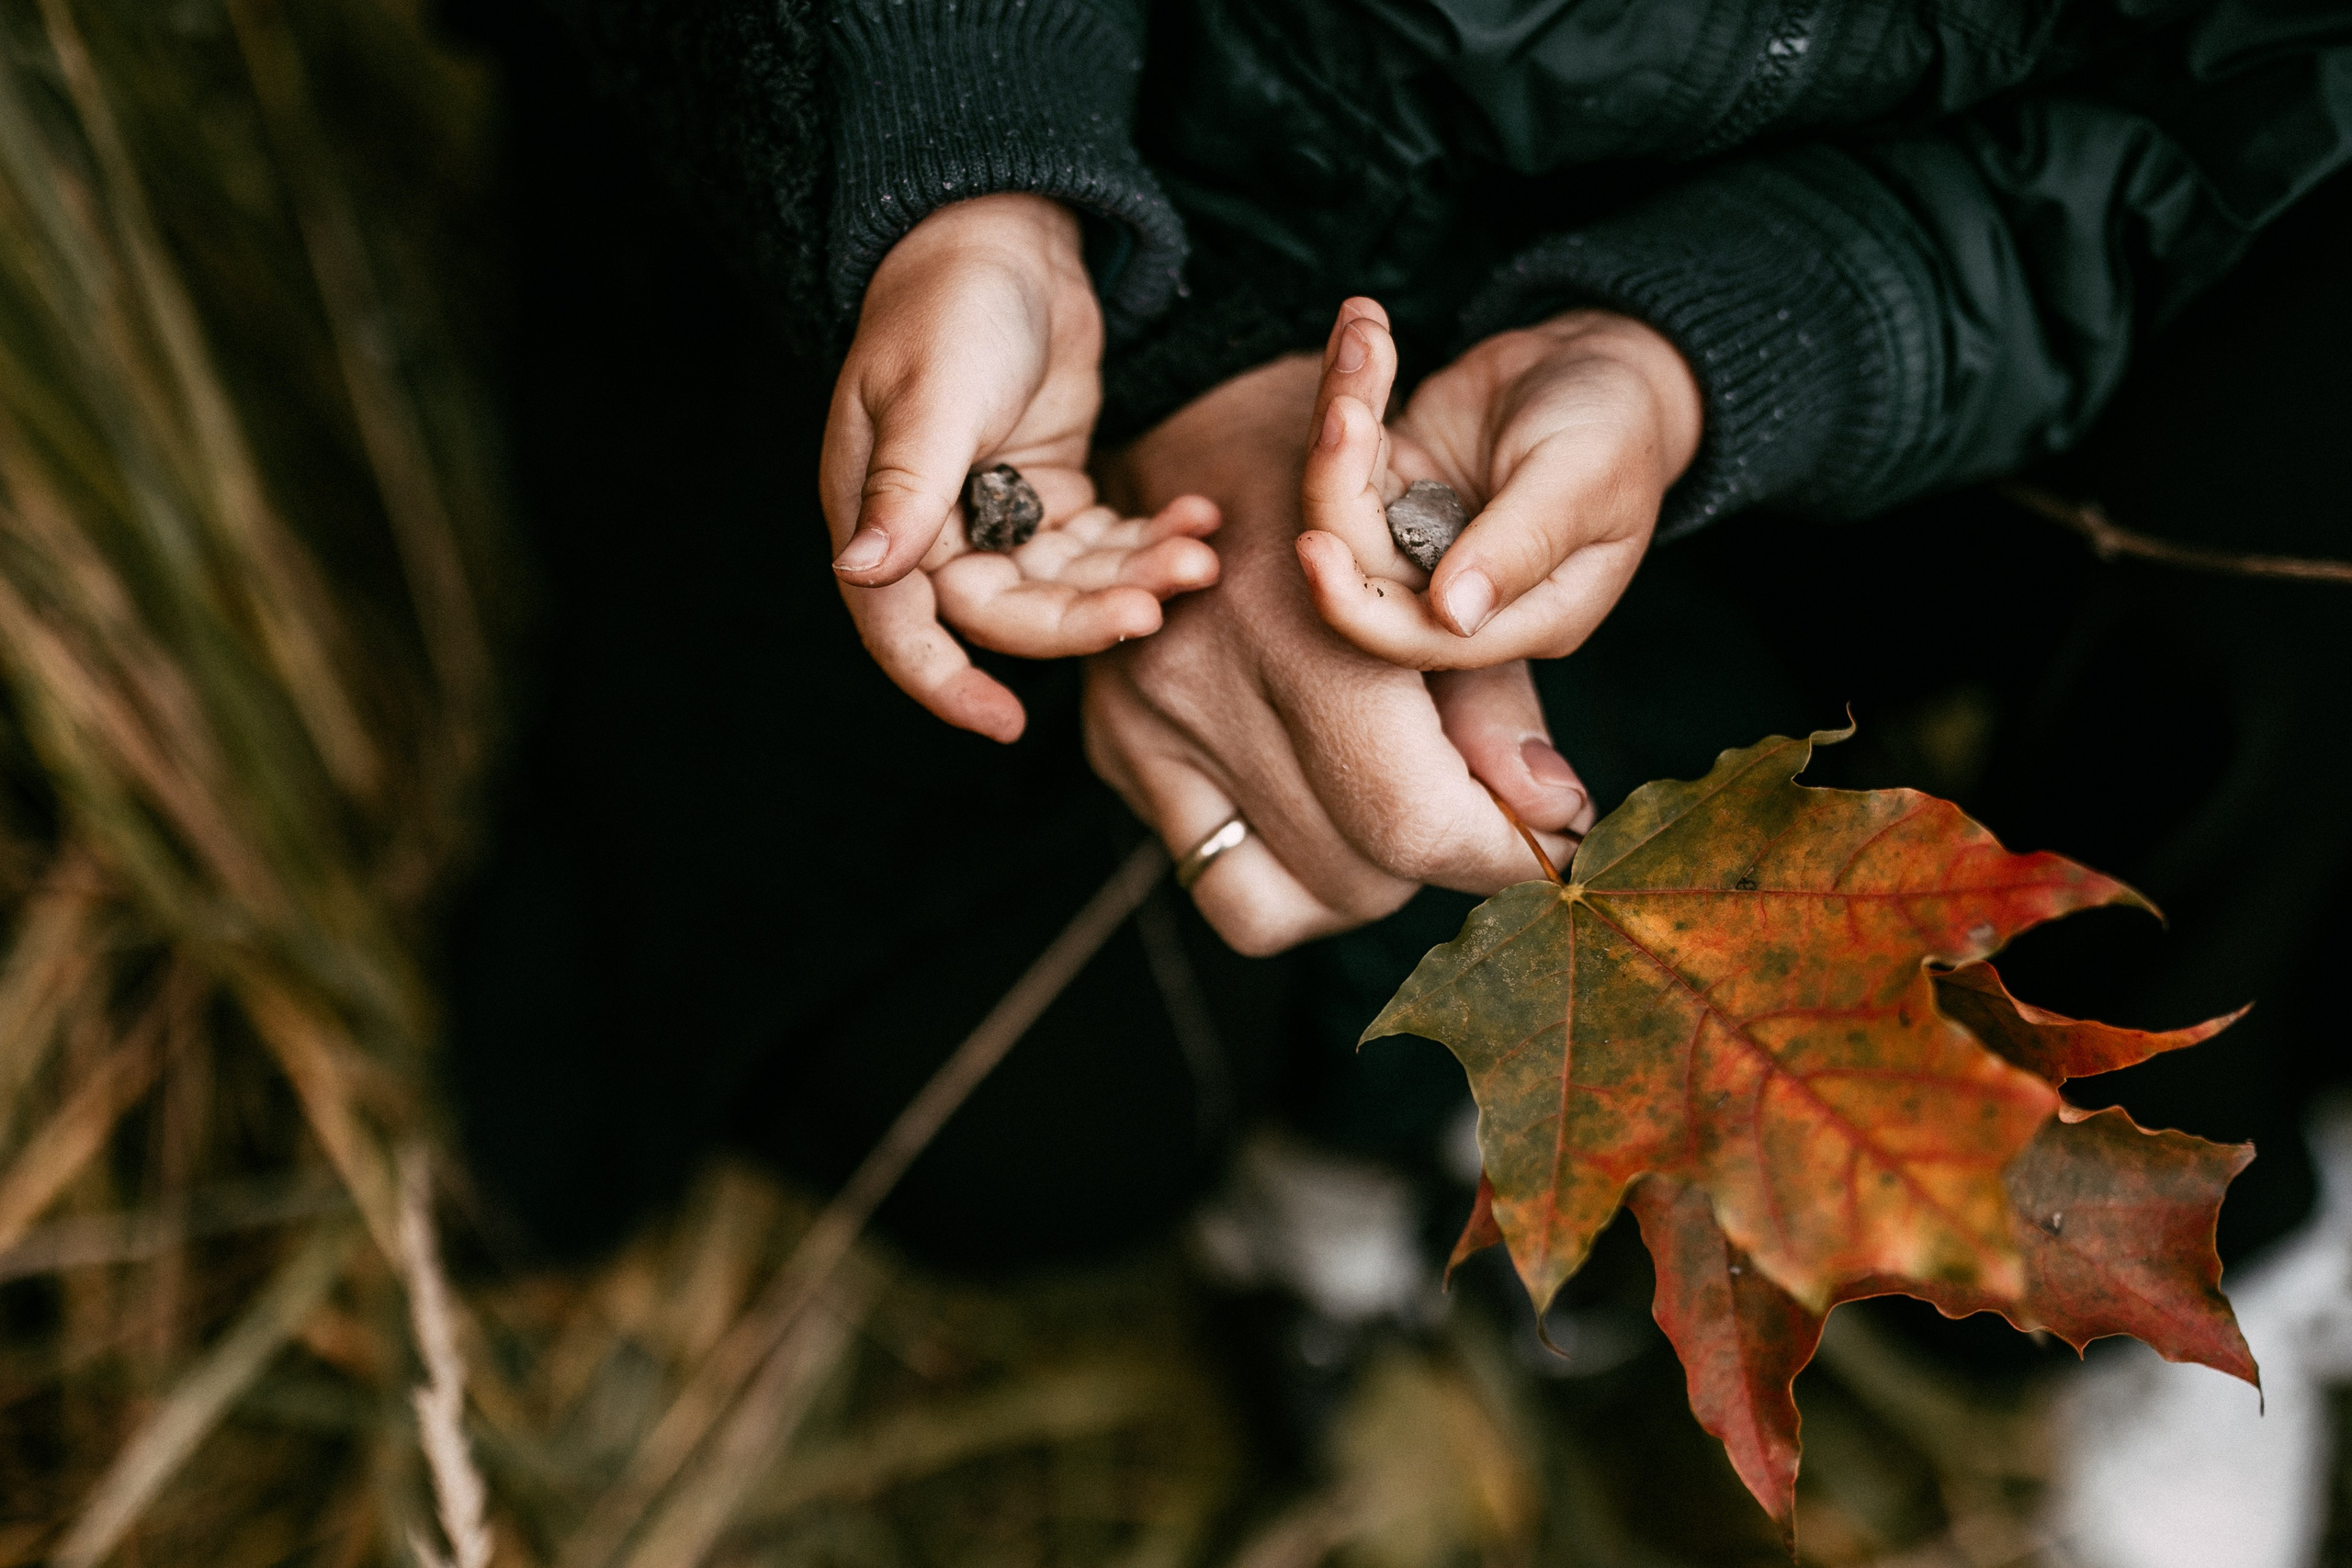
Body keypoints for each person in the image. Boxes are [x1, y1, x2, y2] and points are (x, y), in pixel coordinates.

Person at [451, 1, 2352, 1273]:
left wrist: (1693, 356)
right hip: (997, 186)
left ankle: (1405, 1133)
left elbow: (2155, 146)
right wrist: (988, 184)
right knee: (1012, 1118)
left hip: (1688, 411)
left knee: (1535, 875)